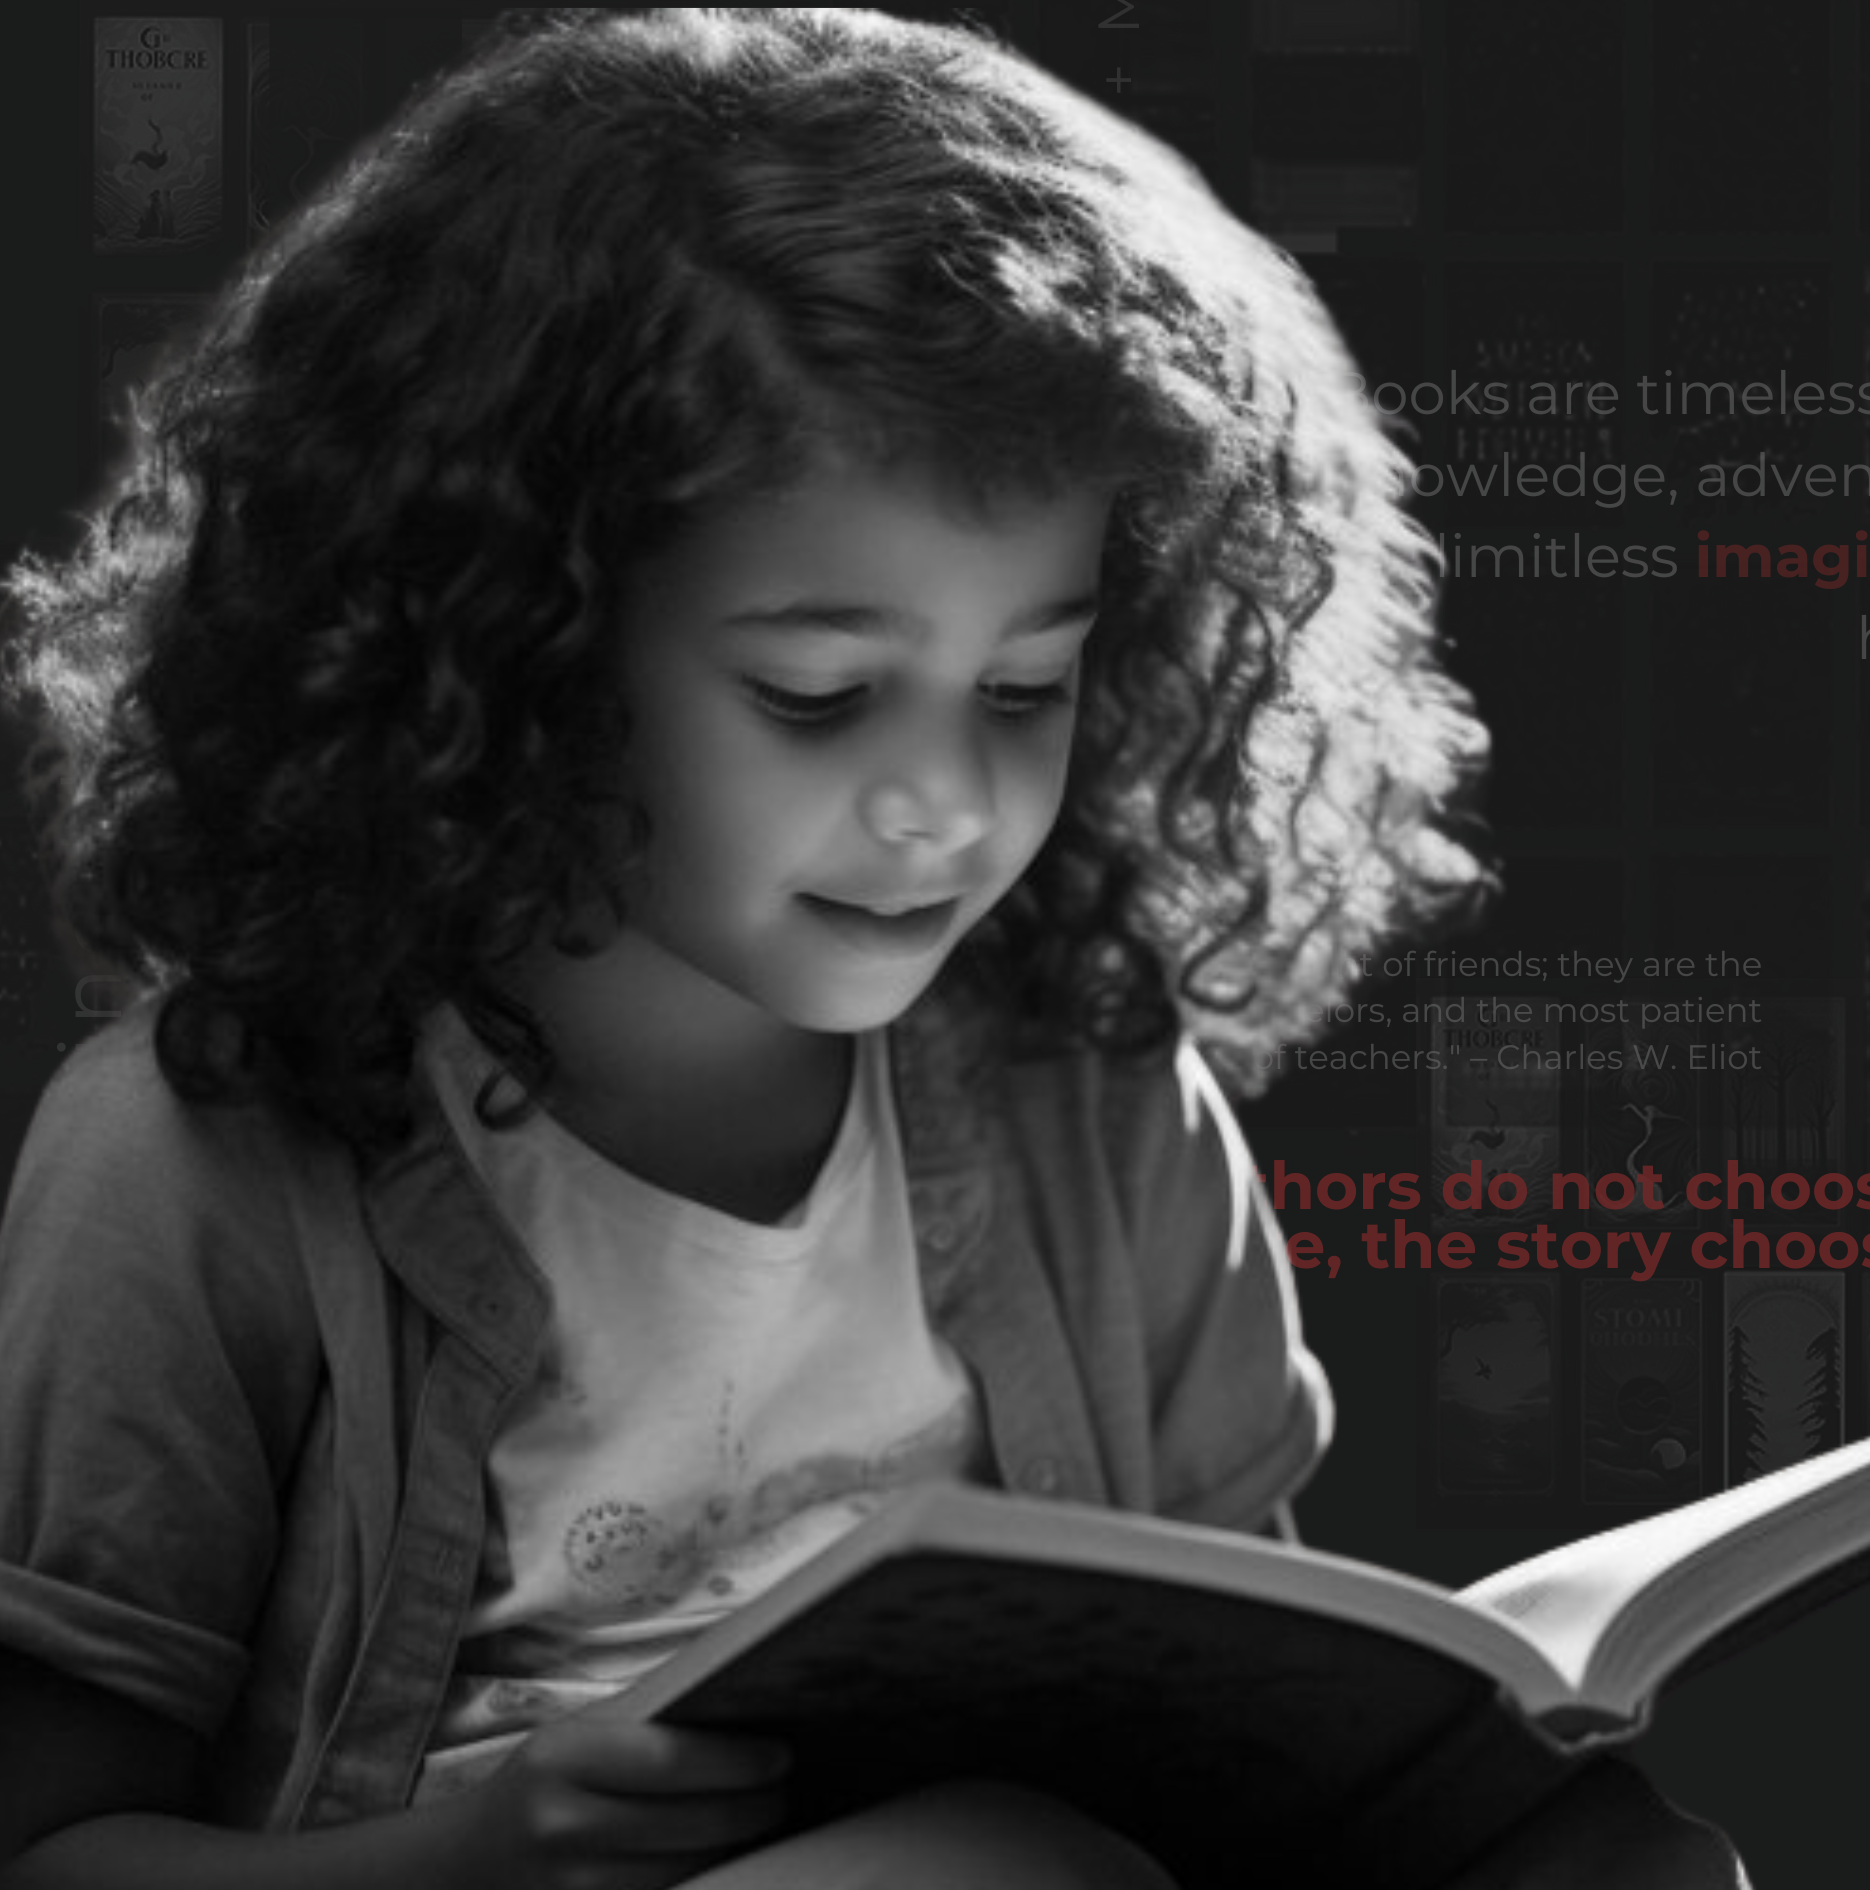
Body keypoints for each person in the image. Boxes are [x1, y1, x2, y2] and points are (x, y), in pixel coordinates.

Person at [0, 10, 1741, 1884]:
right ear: (512, 644)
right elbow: (50, 1850)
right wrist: (469, 1854)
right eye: (818, 696)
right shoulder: (193, 1162)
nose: (948, 804)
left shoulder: (1100, 1102)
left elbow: (1272, 1706)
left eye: (1025, 684)